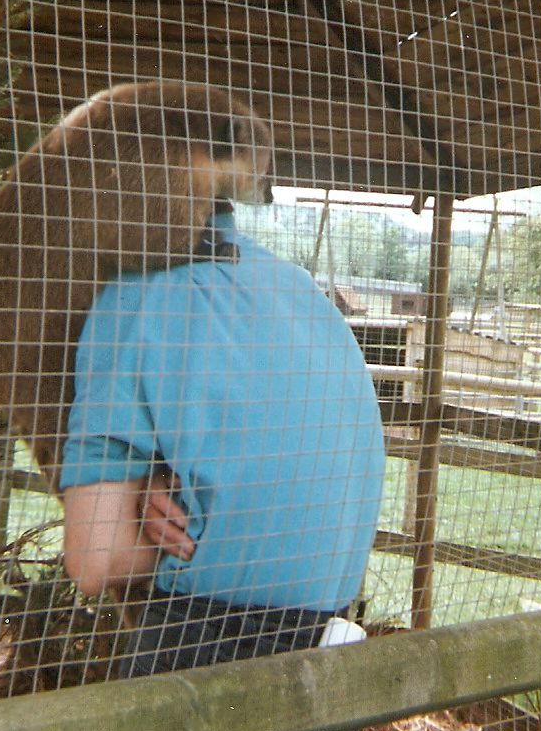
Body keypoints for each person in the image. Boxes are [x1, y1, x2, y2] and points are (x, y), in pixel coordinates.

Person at [59, 201, 386, 682]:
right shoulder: (302, 291)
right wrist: (173, 481)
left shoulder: (137, 295)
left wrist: (155, 517)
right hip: (329, 654)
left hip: (205, 650)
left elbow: (93, 559)